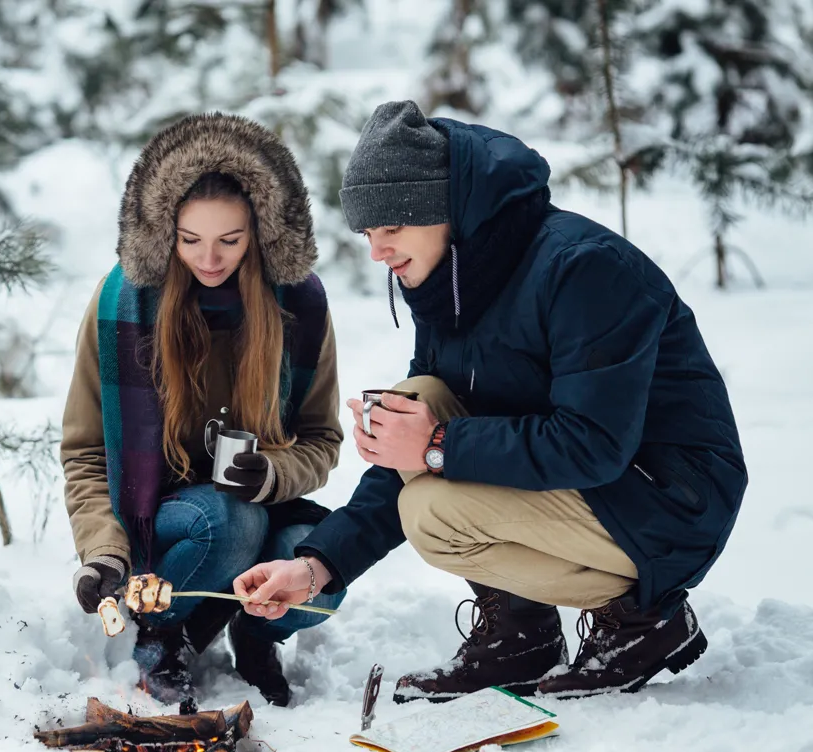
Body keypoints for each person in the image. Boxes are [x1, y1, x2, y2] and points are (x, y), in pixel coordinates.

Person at [232, 100, 747, 701]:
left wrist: (438, 445)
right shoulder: (450, 278)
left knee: (433, 511)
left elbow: (596, 442)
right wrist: (317, 566)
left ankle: (643, 622)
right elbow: (416, 442)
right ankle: (520, 633)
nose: (378, 252)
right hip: (600, 490)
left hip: (669, 497)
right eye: (368, 233)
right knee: (417, 400)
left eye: (391, 228)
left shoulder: (582, 269)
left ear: (442, 209)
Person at [60, 113, 345, 706]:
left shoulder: (301, 307)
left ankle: (253, 631)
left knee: (323, 574)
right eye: (190, 240)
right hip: (159, 526)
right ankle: (163, 634)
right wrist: (103, 552)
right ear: (166, 231)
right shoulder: (123, 304)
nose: (209, 259)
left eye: (230, 241)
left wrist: (271, 474)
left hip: (262, 506)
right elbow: (86, 449)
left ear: (261, 233)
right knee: (225, 519)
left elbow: (321, 440)